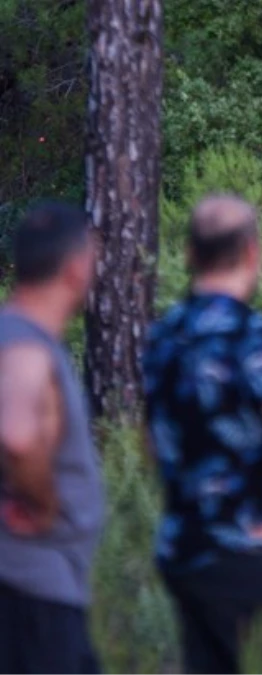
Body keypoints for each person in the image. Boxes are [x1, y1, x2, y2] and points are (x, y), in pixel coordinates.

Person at [143, 193, 262, 675]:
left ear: (190, 254)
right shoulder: (249, 332)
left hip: (182, 551)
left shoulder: (163, 334)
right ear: (252, 252)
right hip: (243, 547)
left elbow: (152, 438)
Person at [0, 202, 104, 675]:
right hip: (33, 590)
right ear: (76, 267)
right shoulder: (25, 343)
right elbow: (18, 436)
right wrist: (44, 506)